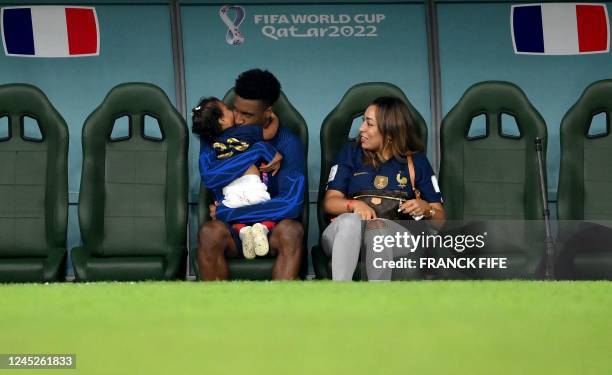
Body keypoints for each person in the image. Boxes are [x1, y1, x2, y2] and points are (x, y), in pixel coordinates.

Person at [197, 69, 306, 280]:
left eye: (247, 115)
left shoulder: (287, 143)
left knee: (292, 231)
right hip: (231, 232)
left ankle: (281, 311)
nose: (238, 120)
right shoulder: (215, 137)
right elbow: (210, 177)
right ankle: (216, 311)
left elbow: (290, 204)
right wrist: (257, 151)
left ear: (268, 112)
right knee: (209, 233)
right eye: (235, 110)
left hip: (270, 229)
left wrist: (225, 212)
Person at [322, 96, 445, 281]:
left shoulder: (416, 161)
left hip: (395, 235)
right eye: (363, 121)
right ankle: (340, 297)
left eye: (369, 124)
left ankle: (377, 302)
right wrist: (353, 205)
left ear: (389, 132)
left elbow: (440, 220)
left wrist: (426, 208)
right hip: (347, 235)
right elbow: (330, 202)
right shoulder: (350, 153)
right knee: (349, 222)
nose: (361, 129)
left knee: (377, 228)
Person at [192, 96, 283, 259]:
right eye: (228, 109)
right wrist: (274, 118)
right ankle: (261, 228)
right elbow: (269, 133)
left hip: (229, 188)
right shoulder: (244, 131)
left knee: (233, 214)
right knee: (265, 211)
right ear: (222, 120)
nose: (234, 111)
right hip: (251, 182)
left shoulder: (211, 144)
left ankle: (242, 231)